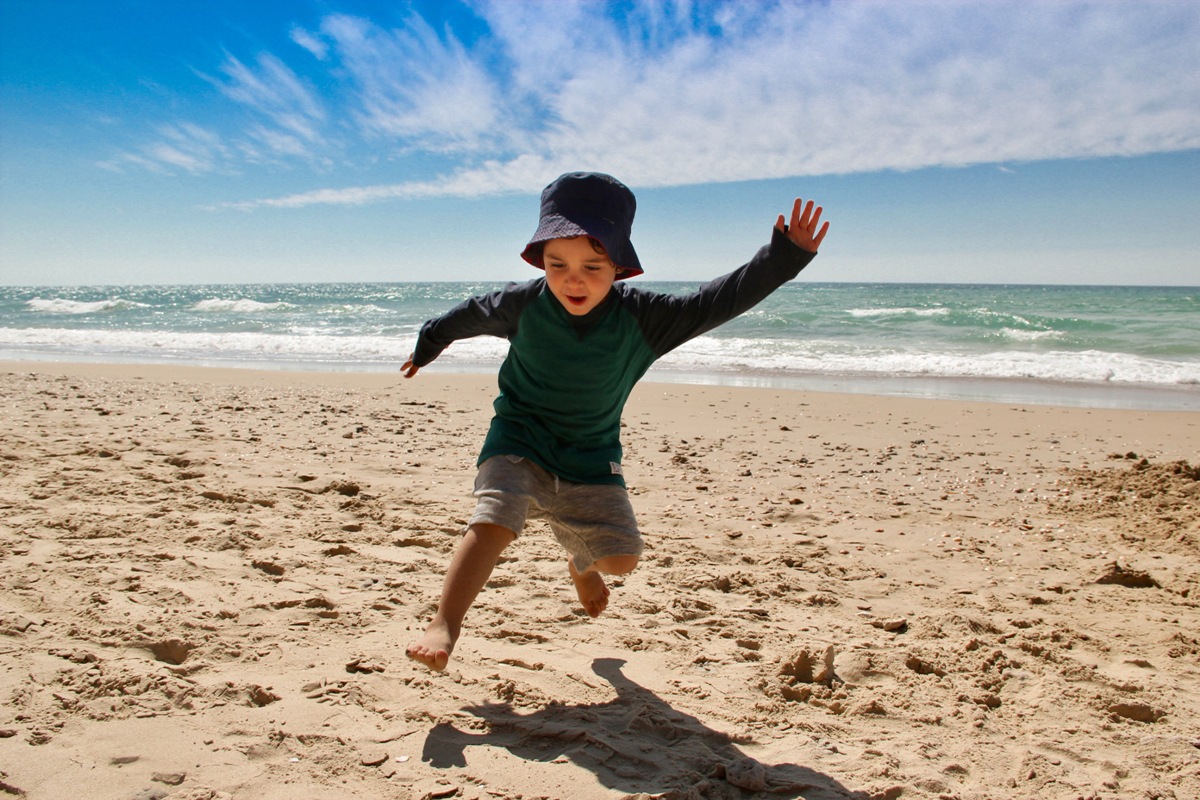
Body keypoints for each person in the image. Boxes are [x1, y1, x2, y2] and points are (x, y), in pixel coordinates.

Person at [402, 172, 828, 671]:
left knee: (621, 561)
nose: (572, 278)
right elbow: (465, 317)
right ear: (540, 261)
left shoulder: (647, 319)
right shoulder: (523, 305)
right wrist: (427, 346)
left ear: (619, 265)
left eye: (591, 265)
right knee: (495, 518)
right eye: (556, 264)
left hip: (589, 456)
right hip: (518, 438)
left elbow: (718, 301)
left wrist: (783, 258)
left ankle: (580, 562)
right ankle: (445, 624)